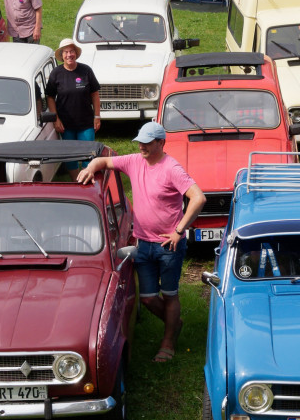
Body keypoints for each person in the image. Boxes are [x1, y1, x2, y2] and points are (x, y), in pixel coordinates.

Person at [77, 122, 205, 362]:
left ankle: (168, 342)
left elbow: (198, 198)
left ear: (161, 143)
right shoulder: (134, 161)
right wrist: (91, 167)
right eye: (140, 142)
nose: (141, 146)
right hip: (143, 243)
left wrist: (179, 231)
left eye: (147, 142)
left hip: (169, 246)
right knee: (147, 298)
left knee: (170, 294)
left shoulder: (172, 168)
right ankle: (174, 323)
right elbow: (104, 161)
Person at [46, 38, 101, 178]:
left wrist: (97, 116)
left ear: (76, 53)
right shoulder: (56, 73)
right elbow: (50, 97)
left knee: (88, 154)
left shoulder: (86, 70)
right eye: (66, 52)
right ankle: (76, 182)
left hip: (86, 123)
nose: (69, 55)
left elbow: (95, 94)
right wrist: (55, 119)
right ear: (62, 55)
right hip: (65, 124)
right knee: (70, 157)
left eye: (71, 51)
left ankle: (86, 181)